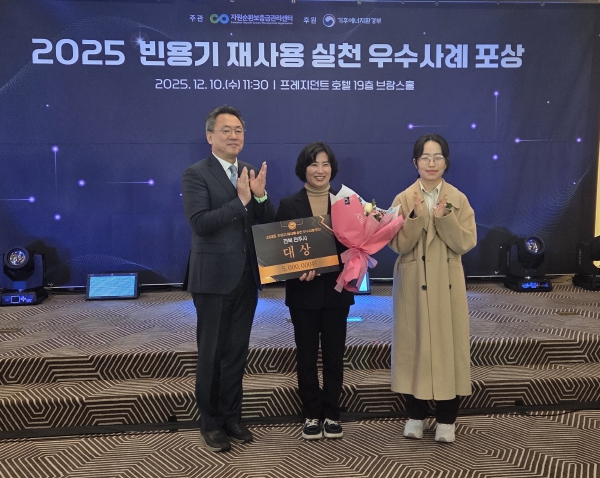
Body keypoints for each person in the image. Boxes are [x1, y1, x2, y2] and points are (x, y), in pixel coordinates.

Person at [182, 105, 275, 452]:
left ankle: (232, 417)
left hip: (246, 276)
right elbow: (200, 223)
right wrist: (241, 201)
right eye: (226, 130)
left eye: (238, 130)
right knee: (212, 353)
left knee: (237, 352)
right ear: (210, 136)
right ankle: (210, 423)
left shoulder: (248, 171)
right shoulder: (196, 173)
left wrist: (260, 196)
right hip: (213, 278)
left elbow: (265, 221)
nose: (234, 136)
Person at [388, 133, 476, 443]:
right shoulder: (402, 199)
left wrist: (445, 218)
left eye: (437, 157)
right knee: (415, 347)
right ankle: (416, 415)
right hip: (413, 285)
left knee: (448, 348)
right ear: (415, 162)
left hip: (446, 286)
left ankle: (447, 419)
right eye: (425, 157)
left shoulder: (458, 199)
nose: (431, 163)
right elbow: (398, 244)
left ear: (446, 162)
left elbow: (465, 242)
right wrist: (414, 217)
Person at [275, 142, 355, 440]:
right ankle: (311, 412)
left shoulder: (347, 203)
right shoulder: (288, 204)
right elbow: (280, 250)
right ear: (303, 168)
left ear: (332, 168)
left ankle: (332, 413)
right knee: (306, 355)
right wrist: (297, 268)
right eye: (313, 164)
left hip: (336, 290)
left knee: (334, 355)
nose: (320, 170)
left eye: (325, 164)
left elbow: (355, 247)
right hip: (303, 292)